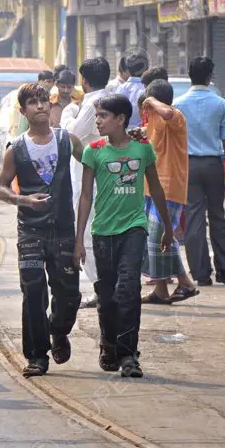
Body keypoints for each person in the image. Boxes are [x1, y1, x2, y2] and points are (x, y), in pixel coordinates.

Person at [77, 94, 173, 377]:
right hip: (102, 231)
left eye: (103, 116)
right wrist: (77, 239)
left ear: (121, 119)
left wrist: (167, 227)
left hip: (134, 227)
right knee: (106, 296)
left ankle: (129, 354)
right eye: (97, 116)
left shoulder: (143, 150)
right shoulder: (92, 151)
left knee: (128, 289)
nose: (98, 121)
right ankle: (108, 344)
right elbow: (85, 197)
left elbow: (155, 189)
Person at [0, 83, 84, 377]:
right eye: (33, 102)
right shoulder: (15, 149)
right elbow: (0, 189)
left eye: (44, 100)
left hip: (63, 230)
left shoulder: (67, 140)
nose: (41, 106)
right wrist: (24, 200)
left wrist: (127, 140)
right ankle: (36, 355)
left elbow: (96, 158)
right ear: (23, 111)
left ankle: (58, 330)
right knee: (33, 293)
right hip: (30, 232)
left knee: (69, 293)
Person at [175, 57, 225, 286]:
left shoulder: (178, 104)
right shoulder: (221, 104)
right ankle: (224, 270)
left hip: (188, 165)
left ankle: (200, 273)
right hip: (214, 165)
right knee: (217, 216)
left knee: (193, 218)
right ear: (210, 77)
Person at [138, 81, 200, 304]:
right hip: (152, 185)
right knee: (160, 238)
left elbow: (166, 112)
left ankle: (184, 283)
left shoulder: (175, 115)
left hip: (170, 186)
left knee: (158, 236)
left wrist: (151, 101)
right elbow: (149, 135)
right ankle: (167, 288)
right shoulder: (154, 119)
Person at [64, 57, 112, 308]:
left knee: (89, 231)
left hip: (89, 172)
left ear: (84, 80)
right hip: (107, 171)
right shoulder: (112, 95)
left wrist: (67, 115)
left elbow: (73, 133)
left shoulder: (92, 103)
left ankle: (99, 287)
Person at [114, 51, 148, 130]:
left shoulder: (119, 89)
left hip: (122, 137)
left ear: (128, 69)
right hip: (142, 136)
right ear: (146, 68)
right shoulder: (148, 90)